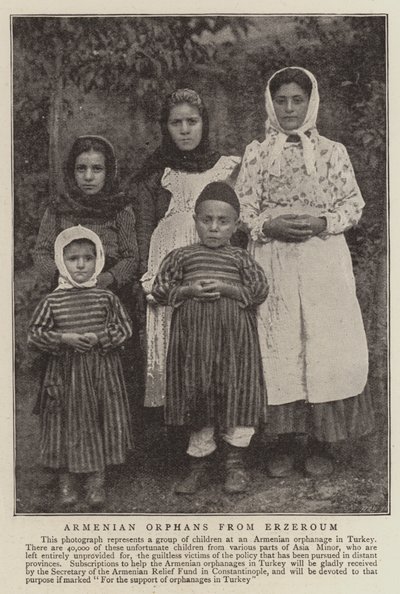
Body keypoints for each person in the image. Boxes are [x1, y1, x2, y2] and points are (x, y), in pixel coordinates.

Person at [236, 66, 373, 478]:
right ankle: (282, 440)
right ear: (270, 103)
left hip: (321, 261)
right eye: (282, 100)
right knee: (278, 344)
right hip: (272, 260)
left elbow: (352, 204)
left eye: (298, 100)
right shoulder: (257, 153)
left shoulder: (333, 152)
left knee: (322, 343)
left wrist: (322, 224)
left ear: (311, 102)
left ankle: (319, 442)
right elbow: (242, 207)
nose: (290, 108)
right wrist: (267, 225)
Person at [151, 182, 268, 494]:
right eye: (207, 220)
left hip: (235, 343)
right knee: (198, 395)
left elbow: (260, 290)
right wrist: (188, 290)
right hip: (194, 345)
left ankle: (235, 465)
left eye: (223, 221)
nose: (214, 227)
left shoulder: (241, 258)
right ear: (195, 220)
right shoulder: (181, 256)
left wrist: (229, 289)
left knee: (236, 394)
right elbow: (159, 289)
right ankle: (198, 466)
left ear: (235, 224)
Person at [135, 88, 241, 408]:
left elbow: (237, 222)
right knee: (169, 335)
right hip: (166, 258)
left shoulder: (226, 167)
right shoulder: (156, 172)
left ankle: (210, 420)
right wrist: (146, 274)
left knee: (209, 332)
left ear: (203, 124)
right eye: (175, 122)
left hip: (211, 256)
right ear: (165, 127)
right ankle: (174, 424)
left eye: (191, 121)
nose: (184, 130)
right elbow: (143, 225)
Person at [33, 135, 142, 426]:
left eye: (97, 169)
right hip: (66, 298)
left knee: (109, 374)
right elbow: (42, 251)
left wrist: (106, 279)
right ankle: (68, 438)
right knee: (66, 372)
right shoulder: (58, 208)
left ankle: (112, 439)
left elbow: (132, 257)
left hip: (108, 298)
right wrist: (62, 278)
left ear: (109, 172)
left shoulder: (121, 210)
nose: (89, 176)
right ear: (72, 172)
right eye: (81, 169)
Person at [28, 226, 133, 508]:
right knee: (67, 424)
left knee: (98, 421)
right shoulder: (53, 300)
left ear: (97, 259)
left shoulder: (106, 297)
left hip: (101, 373)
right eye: (73, 259)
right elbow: (35, 334)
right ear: (62, 261)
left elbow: (124, 329)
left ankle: (96, 482)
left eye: (88, 258)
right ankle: (66, 482)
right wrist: (64, 338)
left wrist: (99, 337)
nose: (81, 264)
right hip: (65, 374)